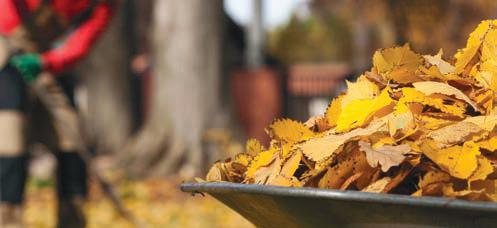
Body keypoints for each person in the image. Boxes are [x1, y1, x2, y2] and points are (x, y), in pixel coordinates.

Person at [0, 0, 115, 227]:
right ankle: (7, 220)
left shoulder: (104, 3)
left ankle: (72, 220)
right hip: (6, 50)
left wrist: (46, 62)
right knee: (9, 138)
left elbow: (83, 40)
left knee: (73, 140)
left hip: (48, 59)